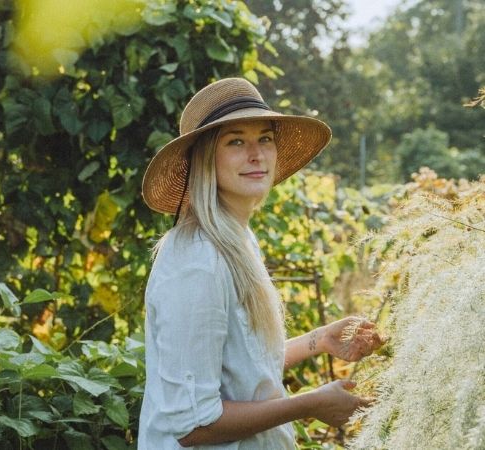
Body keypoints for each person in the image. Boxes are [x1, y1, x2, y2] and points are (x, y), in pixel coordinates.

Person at [138, 78, 384, 449]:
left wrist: (320, 340)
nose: (256, 154)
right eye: (235, 141)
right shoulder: (196, 264)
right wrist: (310, 403)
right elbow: (191, 425)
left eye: (265, 138)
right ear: (206, 159)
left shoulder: (236, 240)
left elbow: (243, 368)